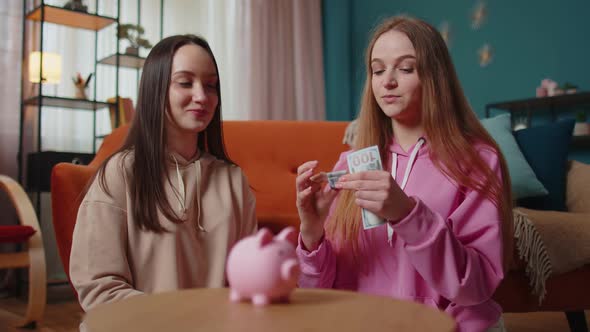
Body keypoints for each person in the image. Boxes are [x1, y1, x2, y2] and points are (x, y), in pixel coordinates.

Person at [295, 16, 512, 332]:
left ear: (434, 76)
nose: (387, 81)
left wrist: (408, 214)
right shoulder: (351, 164)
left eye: (406, 68)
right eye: (378, 70)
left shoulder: (477, 160)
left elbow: (475, 287)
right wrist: (312, 233)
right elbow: (318, 294)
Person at [70, 34, 257, 312]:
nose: (201, 96)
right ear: (156, 89)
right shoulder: (120, 173)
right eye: (185, 82)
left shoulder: (233, 180)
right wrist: (180, 320)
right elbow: (100, 288)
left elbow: (250, 280)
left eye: (211, 85)